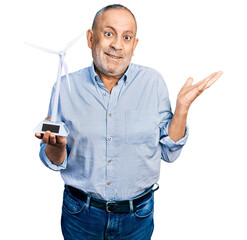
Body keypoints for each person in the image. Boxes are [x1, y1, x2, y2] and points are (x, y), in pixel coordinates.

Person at [35, 4, 223, 240]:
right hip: (80, 214)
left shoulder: (152, 82)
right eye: (108, 33)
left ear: (134, 45)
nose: (117, 45)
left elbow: (169, 152)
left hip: (137, 217)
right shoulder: (65, 86)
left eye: (126, 37)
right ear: (91, 38)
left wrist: (182, 108)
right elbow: (54, 158)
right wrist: (56, 147)